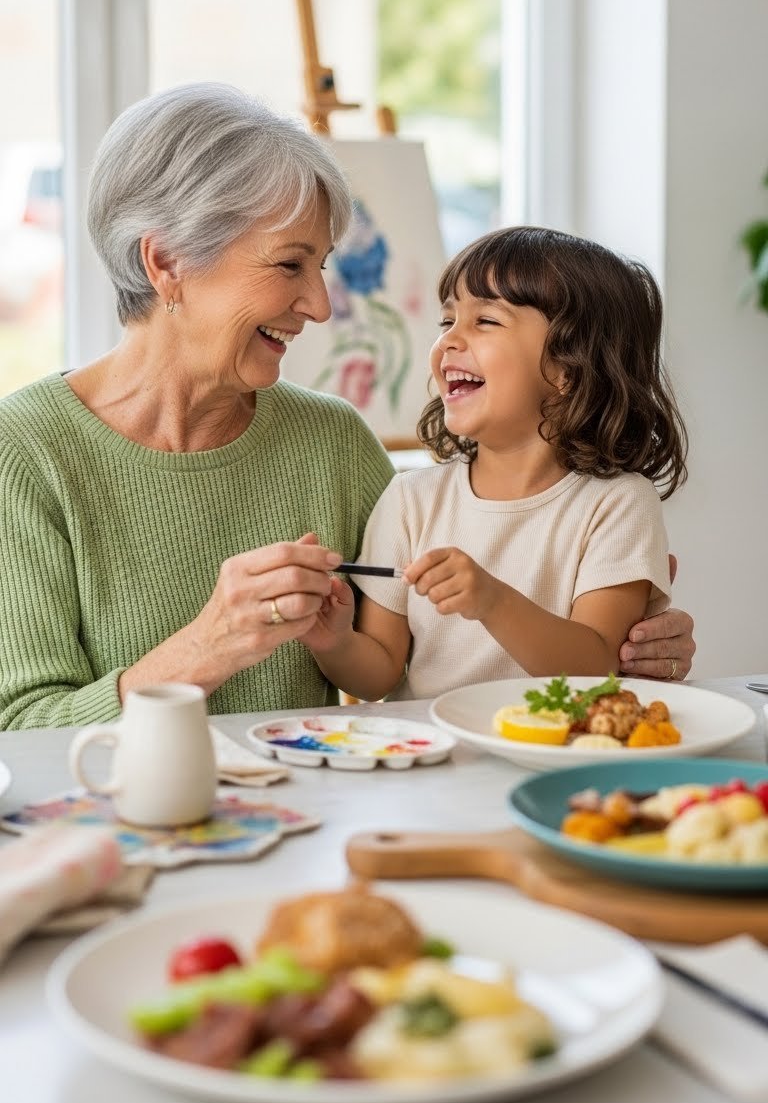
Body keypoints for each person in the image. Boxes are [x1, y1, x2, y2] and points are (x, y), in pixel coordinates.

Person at [0, 91, 694, 730]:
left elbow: (435, 647)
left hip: (312, 824)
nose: (320, 306)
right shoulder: (27, 451)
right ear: (167, 262)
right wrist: (205, 648)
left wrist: (635, 643)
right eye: (288, 265)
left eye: (323, 266)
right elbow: (20, 733)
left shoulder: (331, 441)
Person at [300, 226, 692, 701]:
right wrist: (333, 641)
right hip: (433, 760)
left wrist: (492, 600)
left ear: (568, 367)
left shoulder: (617, 503)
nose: (448, 341)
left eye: (485, 321)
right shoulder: (410, 499)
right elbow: (379, 672)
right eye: (447, 322)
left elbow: (595, 667)